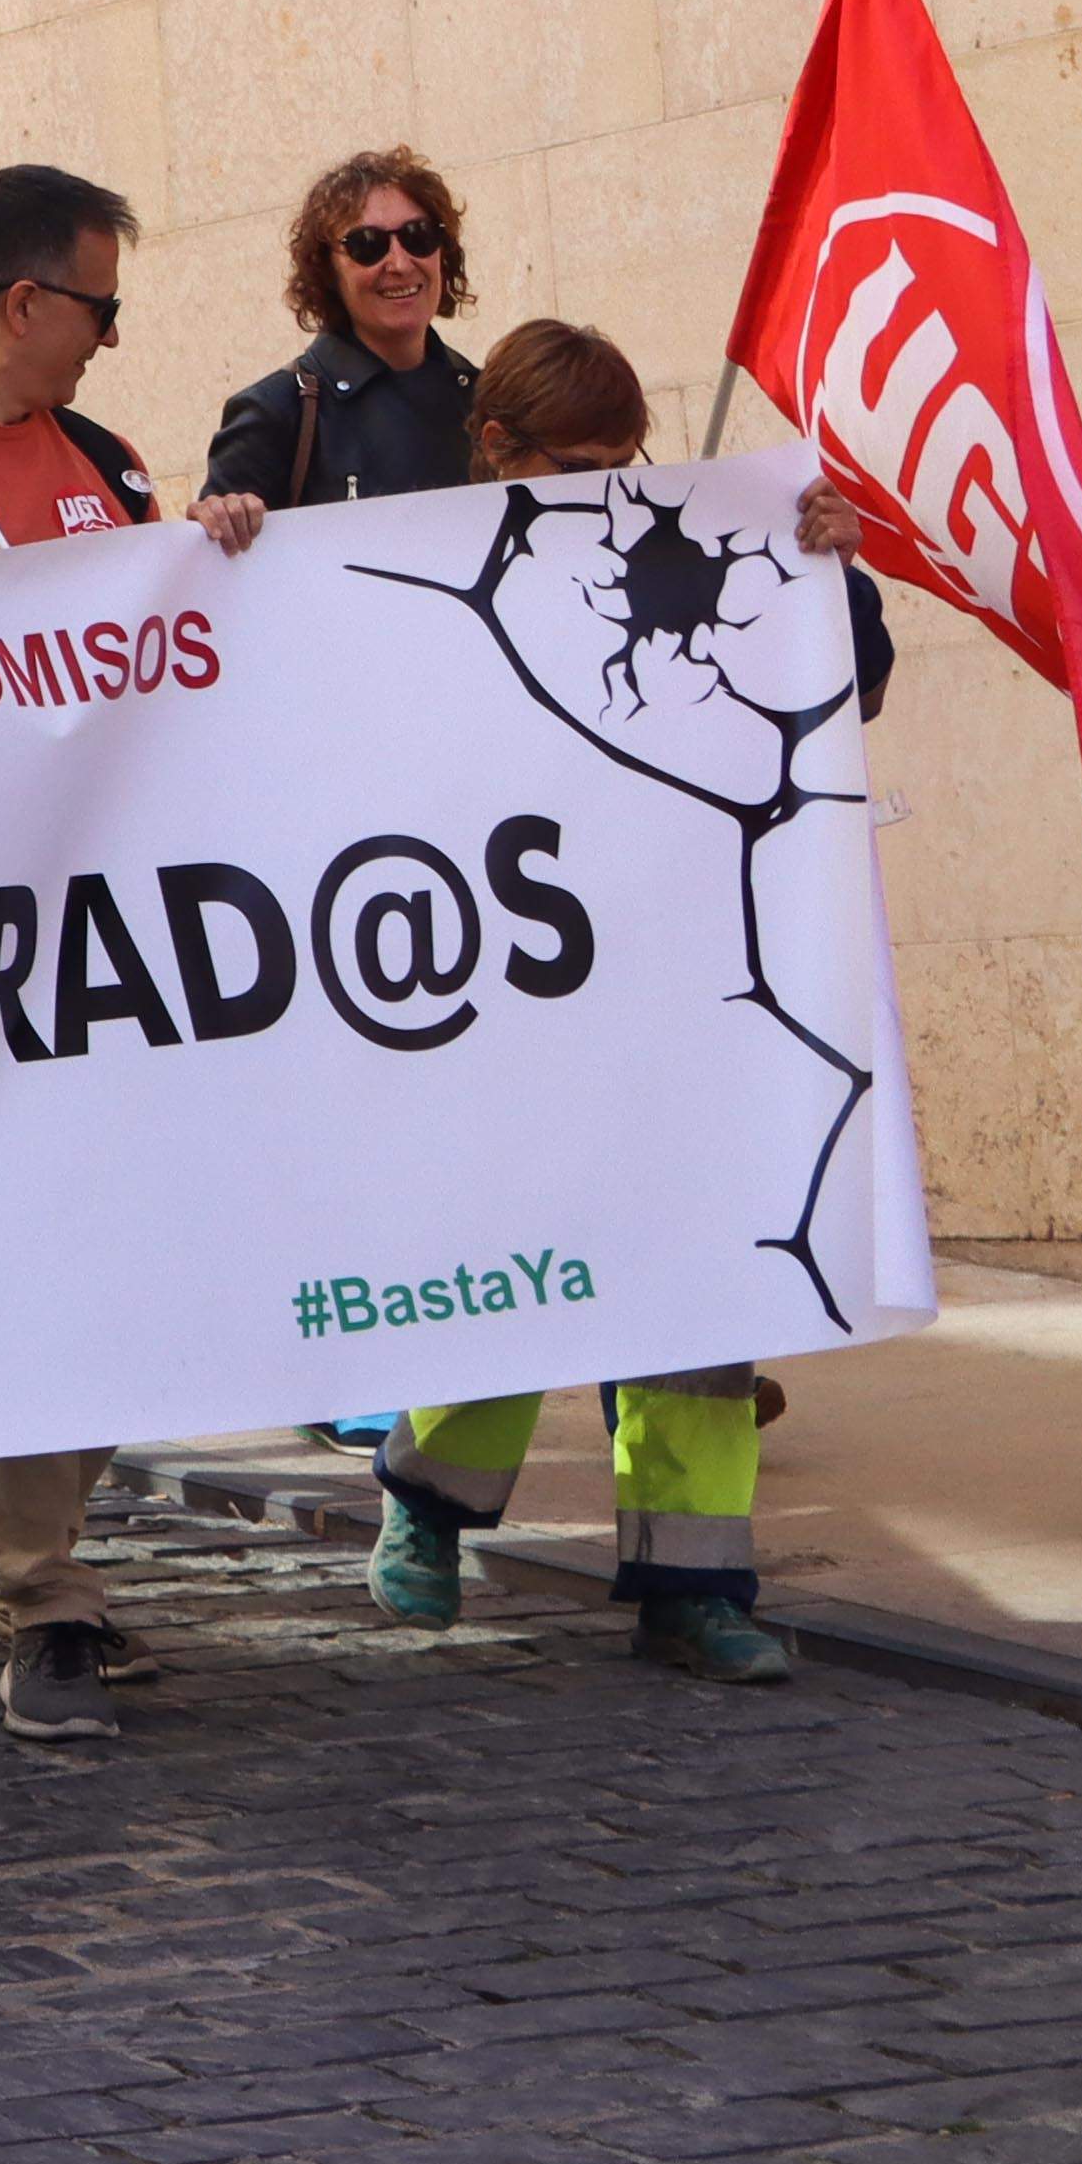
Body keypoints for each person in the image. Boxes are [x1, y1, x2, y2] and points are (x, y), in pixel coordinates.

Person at [0, 164, 271, 1741]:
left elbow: (161, 660)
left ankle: (38, 1574)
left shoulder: (105, 460)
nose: (108, 339)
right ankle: (27, 1574)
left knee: (92, 1238)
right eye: (102, 306)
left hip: (87, 945)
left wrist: (211, 549)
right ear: (28, 303)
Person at [360, 318, 863, 1689]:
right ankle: (430, 1502)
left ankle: (695, 1586)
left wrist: (828, 567)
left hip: (693, 969)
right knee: (527, 1252)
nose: (605, 485)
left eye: (621, 459)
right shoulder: (424, 568)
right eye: (573, 462)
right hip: (518, 978)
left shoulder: (685, 542)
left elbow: (835, 684)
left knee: (715, 1264)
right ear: (499, 448)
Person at [209, 146, 483, 507]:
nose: (399, 263)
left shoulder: (486, 401)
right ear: (327, 270)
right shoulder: (275, 414)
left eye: (418, 236)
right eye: (367, 245)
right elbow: (224, 557)